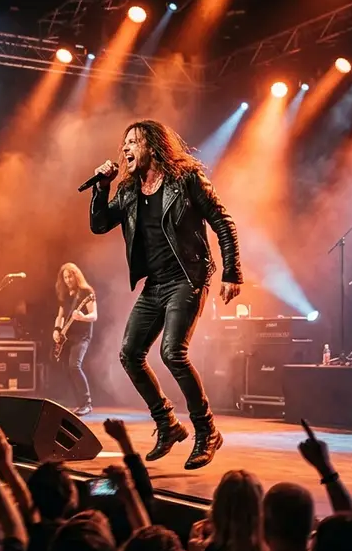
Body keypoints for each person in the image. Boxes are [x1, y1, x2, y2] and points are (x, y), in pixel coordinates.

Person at [89, 119, 243, 469]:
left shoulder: (185, 179)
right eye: (123, 143)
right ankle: (168, 424)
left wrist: (232, 271)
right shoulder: (128, 190)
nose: (125, 149)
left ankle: (207, 431)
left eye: (133, 142)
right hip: (155, 284)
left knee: (173, 352)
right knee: (130, 354)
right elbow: (99, 225)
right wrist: (101, 188)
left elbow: (223, 221)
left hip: (188, 278)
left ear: (153, 146)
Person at [52, 263, 97, 416]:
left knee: (74, 366)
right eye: (65, 277)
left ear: (76, 275)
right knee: (67, 369)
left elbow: (94, 315)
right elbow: (60, 316)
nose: (68, 280)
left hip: (82, 336)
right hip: (68, 336)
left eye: (70, 276)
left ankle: (87, 403)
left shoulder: (86, 292)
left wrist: (83, 317)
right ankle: (80, 404)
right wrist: (57, 330)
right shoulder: (64, 294)